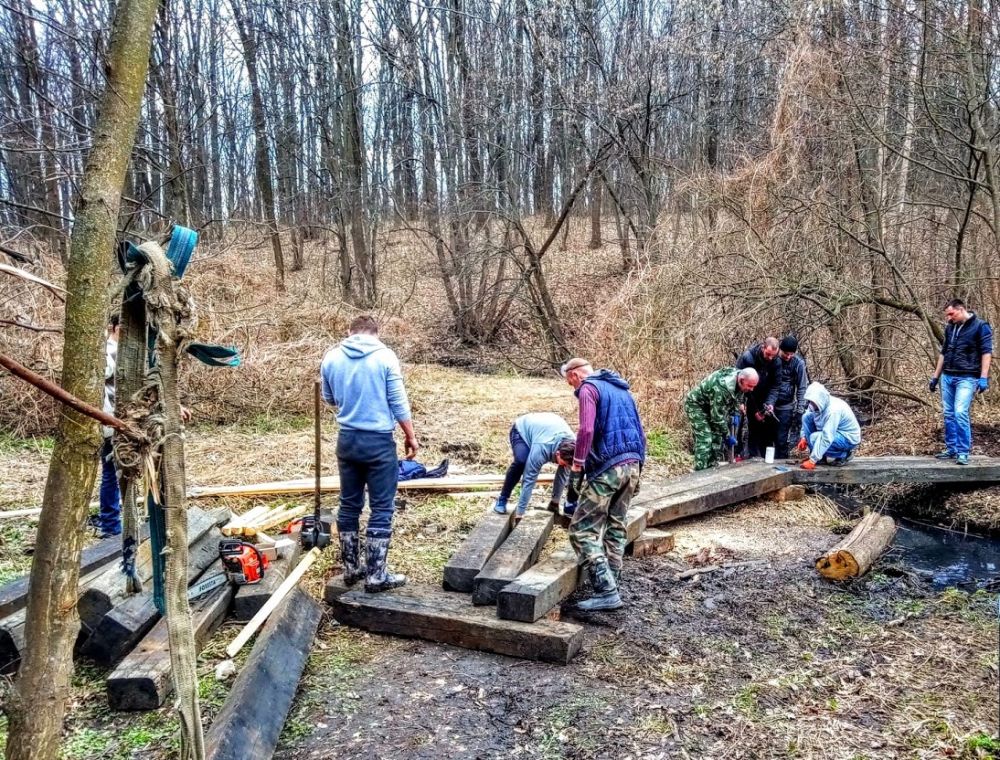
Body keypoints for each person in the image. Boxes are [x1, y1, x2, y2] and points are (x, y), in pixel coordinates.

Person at [321, 315, 419, 592]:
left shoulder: (331, 357)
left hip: (347, 440)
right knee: (382, 507)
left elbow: (328, 398)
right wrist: (410, 436)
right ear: (376, 333)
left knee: (349, 504)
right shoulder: (385, 357)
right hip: (378, 442)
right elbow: (398, 402)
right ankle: (376, 575)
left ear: (349, 332)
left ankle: (352, 569)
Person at [559, 358, 646, 612]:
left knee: (581, 530)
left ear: (575, 375)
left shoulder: (589, 388)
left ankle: (606, 590)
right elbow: (641, 433)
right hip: (632, 465)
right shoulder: (622, 390)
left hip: (608, 468)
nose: (572, 388)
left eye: (569, 382)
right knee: (616, 525)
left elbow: (585, 430)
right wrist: (640, 468)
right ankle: (614, 581)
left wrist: (578, 463)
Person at [928, 298, 993, 465]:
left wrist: (983, 377)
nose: (949, 318)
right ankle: (952, 449)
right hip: (948, 376)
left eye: (951, 314)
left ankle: (963, 451)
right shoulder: (951, 328)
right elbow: (944, 353)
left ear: (961, 309)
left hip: (967, 377)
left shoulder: (980, 326)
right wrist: (935, 376)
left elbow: (986, 352)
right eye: (947, 315)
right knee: (948, 414)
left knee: (960, 412)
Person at [494, 413, 574, 519]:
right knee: (521, 462)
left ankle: (553, 504)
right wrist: (520, 514)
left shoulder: (573, 448)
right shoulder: (542, 449)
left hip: (545, 429)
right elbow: (529, 479)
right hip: (522, 430)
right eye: (563, 463)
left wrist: (555, 503)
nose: (565, 465)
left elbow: (563, 476)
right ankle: (503, 498)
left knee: (565, 470)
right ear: (558, 454)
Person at [684, 367, 759, 471]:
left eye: (753, 387)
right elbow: (717, 417)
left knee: (717, 439)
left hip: (712, 406)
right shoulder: (723, 388)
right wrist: (727, 436)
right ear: (741, 380)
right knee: (706, 439)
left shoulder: (739, 379)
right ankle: (700, 473)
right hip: (697, 405)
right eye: (750, 386)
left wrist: (736, 413)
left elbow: (737, 398)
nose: (751, 389)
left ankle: (711, 469)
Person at [93, 315, 122, 538]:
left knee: (117, 473)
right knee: (111, 474)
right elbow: (103, 373)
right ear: (113, 327)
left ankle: (113, 522)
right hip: (111, 423)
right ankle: (110, 526)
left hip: (122, 422)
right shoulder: (108, 351)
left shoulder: (125, 352)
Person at [796, 382, 861, 469]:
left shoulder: (833, 410)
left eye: (813, 401)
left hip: (848, 438)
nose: (811, 404)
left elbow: (827, 436)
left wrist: (812, 460)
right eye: (810, 401)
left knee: (814, 438)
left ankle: (845, 454)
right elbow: (806, 418)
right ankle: (820, 457)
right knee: (806, 417)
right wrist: (803, 437)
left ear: (820, 400)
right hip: (833, 433)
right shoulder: (815, 404)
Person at [735, 337, 781, 458]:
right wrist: (753, 409)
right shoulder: (748, 358)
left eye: (773, 356)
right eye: (768, 354)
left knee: (766, 431)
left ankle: (765, 458)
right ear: (763, 347)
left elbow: (775, 386)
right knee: (745, 427)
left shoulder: (776, 361)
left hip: (765, 397)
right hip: (747, 395)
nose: (770, 358)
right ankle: (745, 456)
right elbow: (738, 381)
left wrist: (770, 403)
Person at [773, 336, 809, 459]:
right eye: (785, 354)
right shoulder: (772, 358)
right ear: (780, 350)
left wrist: (800, 409)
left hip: (786, 407)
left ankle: (781, 465)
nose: (788, 357)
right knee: (765, 439)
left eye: (791, 354)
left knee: (781, 440)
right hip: (769, 406)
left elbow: (802, 387)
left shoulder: (798, 363)